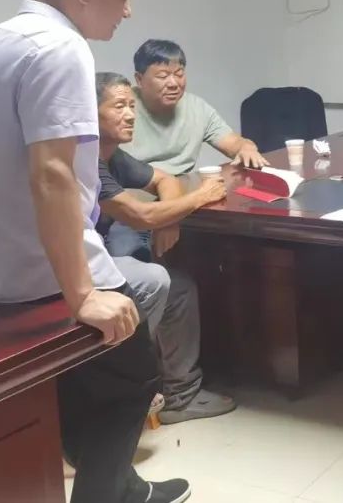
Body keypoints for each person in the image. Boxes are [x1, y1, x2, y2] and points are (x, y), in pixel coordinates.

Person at [0, 0, 190, 503]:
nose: (127, 11)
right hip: (54, 272)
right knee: (134, 377)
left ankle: (125, 488)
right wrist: (82, 295)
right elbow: (51, 172)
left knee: (82, 392)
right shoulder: (61, 48)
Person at [96, 71, 238, 423]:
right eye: (119, 106)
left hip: (99, 257)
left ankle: (179, 394)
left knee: (179, 289)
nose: (130, 115)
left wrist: (169, 219)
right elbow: (139, 215)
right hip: (77, 272)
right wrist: (199, 197)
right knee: (153, 279)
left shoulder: (114, 155)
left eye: (131, 106)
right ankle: (127, 390)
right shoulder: (86, 161)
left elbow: (165, 178)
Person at [121, 39, 267, 177]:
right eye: (163, 76)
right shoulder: (120, 108)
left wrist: (246, 148)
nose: (173, 83)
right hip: (132, 189)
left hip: (181, 187)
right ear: (139, 79)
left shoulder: (197, 108)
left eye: (179, 74)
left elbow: (233, 143)